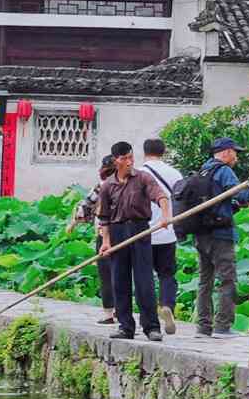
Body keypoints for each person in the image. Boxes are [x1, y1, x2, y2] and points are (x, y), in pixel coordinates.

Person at [95, 141, 172, 342]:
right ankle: (125, 326)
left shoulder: (143, 178)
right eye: (124, 159)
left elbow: (161, 196)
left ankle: (151, 327)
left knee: (144, 280)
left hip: (139, 231)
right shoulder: (107, 186)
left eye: (131, 157)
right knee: (119, 281)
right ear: (115, 160)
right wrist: (106, 241)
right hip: (117, 232)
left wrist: (165, 216)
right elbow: (103, 218)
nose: (129, 162)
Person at [193, 137, 249, 338]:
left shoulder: (204, 170)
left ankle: (203, 326)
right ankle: (222, 326)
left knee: (205, 281)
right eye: (234, 152)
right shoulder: (224, 171)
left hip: (201, 233)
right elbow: (241, 195)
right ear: (226, 152)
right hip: (220, 234)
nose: (236, 156)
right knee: (227, 280)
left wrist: (232, 206)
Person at [139, 135, 183, 335]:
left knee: (144, 277)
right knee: (167, 275)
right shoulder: (175, 174)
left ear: (144, 152)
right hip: (167, 232)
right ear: (163, 152)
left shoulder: (137, 174)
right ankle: (167, 305)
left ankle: (148, 317)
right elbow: (182, 201)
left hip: (142, 233)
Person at [73, 154, 121, 324]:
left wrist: (74, 222)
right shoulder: (128, 185)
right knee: (122, 273)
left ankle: (109, 314)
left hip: (103, 234)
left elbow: (83, 209)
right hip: (125, 233)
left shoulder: (101, 186)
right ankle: (122, 311)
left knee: (106, 274)